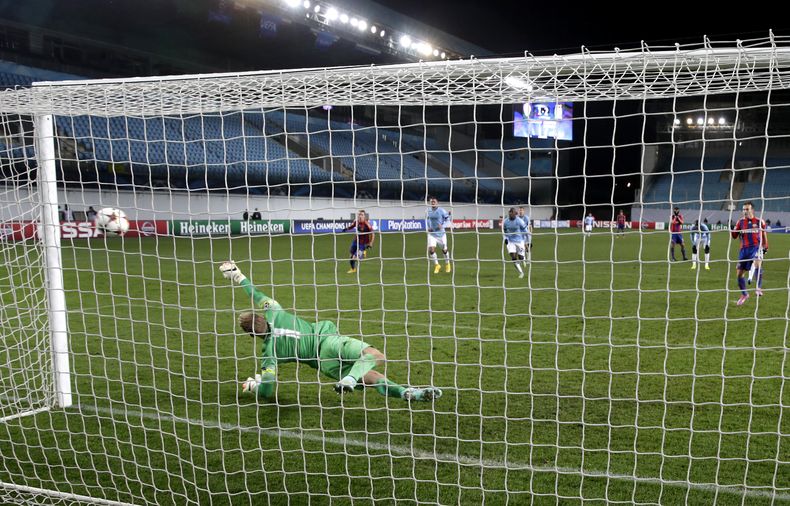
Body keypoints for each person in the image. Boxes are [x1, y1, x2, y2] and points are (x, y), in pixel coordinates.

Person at [218, 261, 442, 401]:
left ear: (252, 335)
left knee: (373, 378)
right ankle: (350, 380)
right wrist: (238, 275)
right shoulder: (274, 311)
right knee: (375, 356)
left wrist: (255, 385)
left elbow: (268, 391)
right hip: (328, 341)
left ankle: (407, 393)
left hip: (325, 364)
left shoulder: (269, 354)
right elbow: (256, 294)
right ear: (261, 316)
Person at [731, 201, 768, 306]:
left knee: (757, 263)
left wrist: (766, 246)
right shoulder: (740, 222)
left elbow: (764, 235)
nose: (745, 211)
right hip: (744, 250)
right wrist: (733, 229)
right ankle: (744, 294)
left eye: (747, 209)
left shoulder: (760, 221)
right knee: (739, 274)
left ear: (752, 210)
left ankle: (758, 288)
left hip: (756, 248)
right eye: (743, 209)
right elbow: (734, 236)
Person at [425, 196, 452, 274]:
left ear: (437, 203)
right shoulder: (428, 211)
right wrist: (429, 227)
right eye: (432, 202)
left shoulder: (442, 211)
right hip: (432, 234)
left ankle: (447, 264)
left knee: (444, 250)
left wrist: (442, 226)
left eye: (434, 202)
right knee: (431, 250)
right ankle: (437, 265)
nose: (433, 203)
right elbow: (428, 220)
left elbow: (448, 221)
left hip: (441, 234)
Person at [345, 209, 375, 274]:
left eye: (361, 215)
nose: (360, 216)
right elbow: (352, 226)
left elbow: (373, 233)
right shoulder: (356, 222)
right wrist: (346, 228)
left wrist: (371, 243)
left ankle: (362, 253)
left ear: (364, 216)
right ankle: (353, 269)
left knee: (355, 257)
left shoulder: (367, 224)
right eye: (359, 214)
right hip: (355, 242)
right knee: (351, 256)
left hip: (362, 244)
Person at [502, 208, 528, 278]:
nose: (510, 215)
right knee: (513, 257)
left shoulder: (519, 221)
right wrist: (505, 238)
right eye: (509, 214)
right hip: (510, 241)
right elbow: (504, 231)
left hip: (519, 241)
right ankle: (521, 272)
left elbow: (525, 230)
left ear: (515, 214)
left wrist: (526, 241)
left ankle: (523, 259)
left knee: (521, 257)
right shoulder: (505, 221)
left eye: (511, 213)